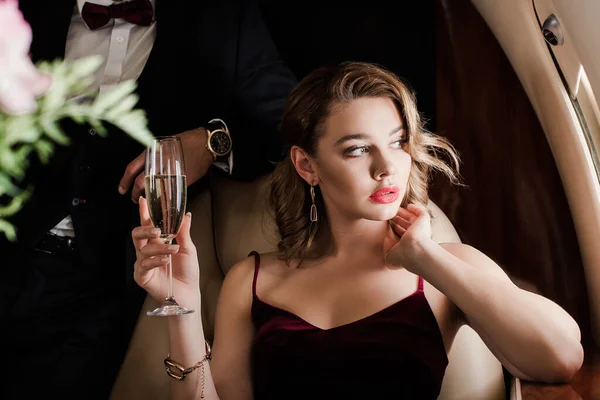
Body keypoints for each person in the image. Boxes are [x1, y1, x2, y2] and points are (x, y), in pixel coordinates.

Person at [131, 61, 584, 399]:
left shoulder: (444, 265)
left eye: (398, 142)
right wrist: (184, 305)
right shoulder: (250, 282)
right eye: (356, 150)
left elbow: (561, 358)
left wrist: (428, 259)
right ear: (307, 165)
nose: (387, 167)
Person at [2, 0, 297, 398]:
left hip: (115, 279)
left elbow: (292, 120)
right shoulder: (16, 13)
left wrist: (211, 142)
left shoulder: (223, 17)